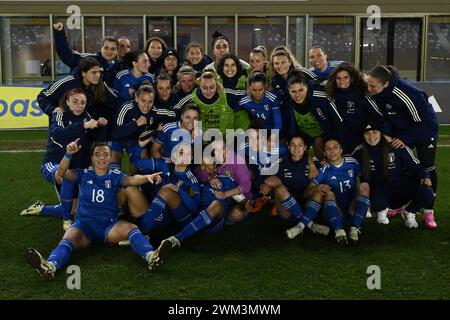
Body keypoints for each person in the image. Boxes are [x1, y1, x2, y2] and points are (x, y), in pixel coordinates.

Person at [25, 140, 166, 280]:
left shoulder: (115, 175)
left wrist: (147, 177)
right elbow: (61, 173)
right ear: (92, 157)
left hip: (109, 225)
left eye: (105, 155)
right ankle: (50, 266)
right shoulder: (83, 174)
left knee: (131, 228)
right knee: (68, 238)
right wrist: (68, 154)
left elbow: (132, 180)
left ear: (110, 157)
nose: (102, 158)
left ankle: (151, 256)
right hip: (84, 225)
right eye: (97, 155)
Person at [366, 65, 438, 229]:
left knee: (427, 167)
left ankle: (428, 210)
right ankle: (401, 205)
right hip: (403, 130)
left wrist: (405, 139)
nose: (369, 89)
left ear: (385, 84)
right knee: (403, 165)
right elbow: (385, 118)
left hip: (425, 130)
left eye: (372, 86)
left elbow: (423, 122)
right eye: (368, 84)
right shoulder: (377, 92)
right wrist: (388, 135)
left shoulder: (406, 93)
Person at [21, 88, 102, 230]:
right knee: (67, 177)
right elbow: (57, 134)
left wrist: (100, 125)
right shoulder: (60, 114)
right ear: (67, 102)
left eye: (83, 102)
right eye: (75, 102)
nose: (79, 105)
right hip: (53, 163)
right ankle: (66, 221)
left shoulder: (88, 116)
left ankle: (42, 209)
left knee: (76, 210)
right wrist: (83, 125)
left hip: (77, 168)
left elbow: (95, 139)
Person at [352, 121, 436, 229]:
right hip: (379, 188)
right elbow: (345, 162)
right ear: (363, 135)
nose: (371, 137)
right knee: (377, 203)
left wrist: (425, 177)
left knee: (428, 193)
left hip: (401, 185)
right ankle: (382, 210)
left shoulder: (396, 145)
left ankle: (410, 212)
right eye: (367, 133)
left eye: (375, 132)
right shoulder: (359, 151)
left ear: (381, 133)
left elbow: (415, 165)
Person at [287, 138, 370, 243]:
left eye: (335, 147)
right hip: (332, 213)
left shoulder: (352, 163)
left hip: (351, 209)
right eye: (328, 149)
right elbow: (306, 194)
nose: (332, 151)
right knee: (328, 193)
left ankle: (355, 227)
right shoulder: (323, 170)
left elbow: (366, 179)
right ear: (324, 153)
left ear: (341, 150)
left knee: (365, 185)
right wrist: (317, 187)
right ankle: (338, 230)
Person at [259, 134, 329, 236]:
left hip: (308, 206)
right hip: (287, 210)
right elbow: (268, 178)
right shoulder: (280, 162)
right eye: (293, 145)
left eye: (300, 145)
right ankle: (310, 224)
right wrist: (265, 185)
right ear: (288, 146)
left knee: (319, 190)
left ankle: (302, 225)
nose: (296, 148)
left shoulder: (314, 163)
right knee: (280, 189)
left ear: (305, 147)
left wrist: (312, 164)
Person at [37, 57, 118, 139]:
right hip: (64, 127)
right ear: (83, 73)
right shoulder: (66, 82)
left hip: (86, 129)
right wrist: (51, 109)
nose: (98, 75)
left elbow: (114, 101)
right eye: (94, 72)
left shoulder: (100, 85)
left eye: (99, 72)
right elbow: (43, 95)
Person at [285, 70, 344, 160]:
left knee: (318, 141)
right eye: (293, 91)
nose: (297, 95)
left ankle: (323, 164)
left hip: (325, 135)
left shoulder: (320, 97)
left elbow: (338, 121)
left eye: (301, 90)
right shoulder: (287, 102)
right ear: (289, 91)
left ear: (307, 87)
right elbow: (290, 127)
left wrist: (335, 142)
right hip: (304, 136)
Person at [325, 63, 384, 154]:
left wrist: (386, 133)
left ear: (351, 78)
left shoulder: (362, 93)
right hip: (341, 137)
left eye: (345, 77)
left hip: (361, 138)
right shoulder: (331, 93)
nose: (342, 81)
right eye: (338, 78)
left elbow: (378, 114)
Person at [173, 69, 248, 135]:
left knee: (242, 114)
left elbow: (249, 96)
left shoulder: (228, 95)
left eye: (212, 87)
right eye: (205, 88)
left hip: (227, 138)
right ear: (199, 86)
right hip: (203, 139)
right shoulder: (192, 98)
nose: (208, 92)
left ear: (216, 85)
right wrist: (187, 128)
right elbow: (174, 111)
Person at [53, 21, 118, 86]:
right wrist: (60, 33)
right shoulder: (90, 59)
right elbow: (67, 55)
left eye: (113, 49)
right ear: (101, 48)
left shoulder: (115, 67)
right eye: (106, 48)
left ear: (117, 51)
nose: (109, 51)